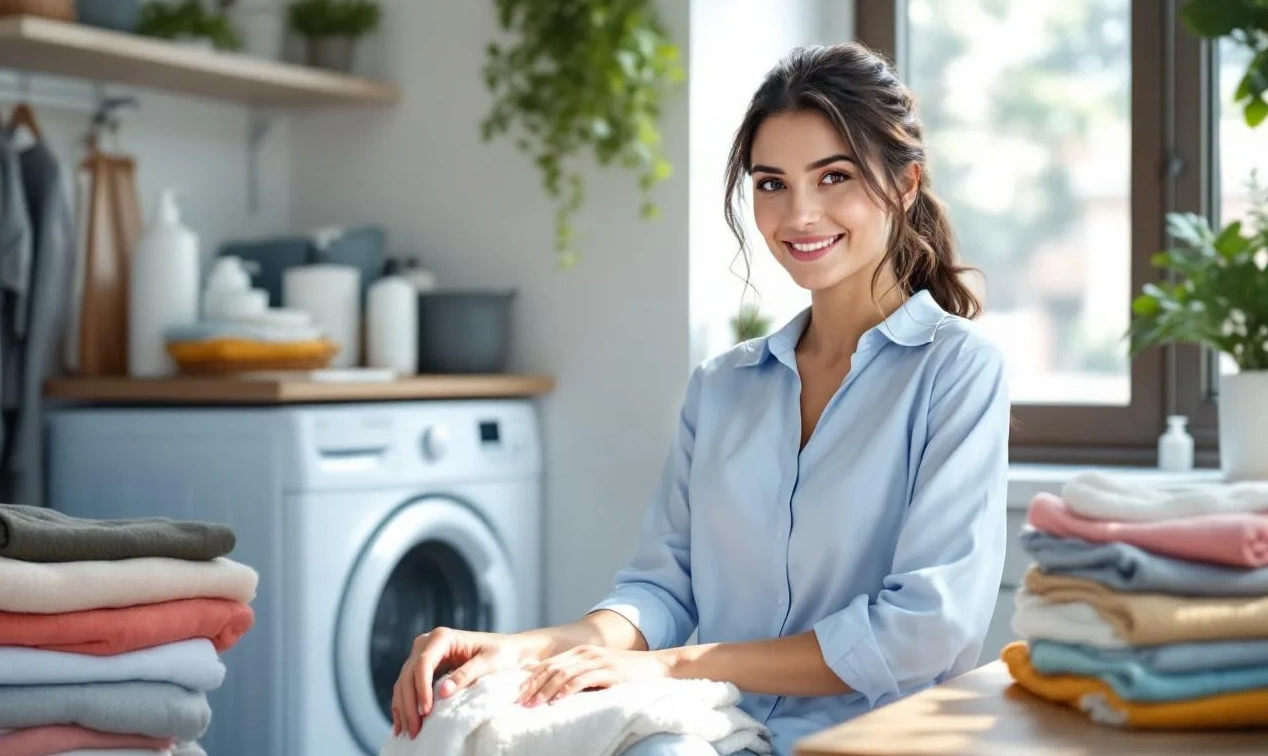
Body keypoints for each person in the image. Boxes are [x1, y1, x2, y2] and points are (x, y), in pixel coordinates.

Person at [389, 41, 1010, 756]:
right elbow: (662, 591)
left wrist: (676, 664)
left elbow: (925, 629)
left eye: (833, 177)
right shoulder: (722, 388)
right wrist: (518, 649)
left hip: (870, 740)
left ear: (905, 184)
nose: (799, 214)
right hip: (722, 730)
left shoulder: (956, 371)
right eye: (771, 183)